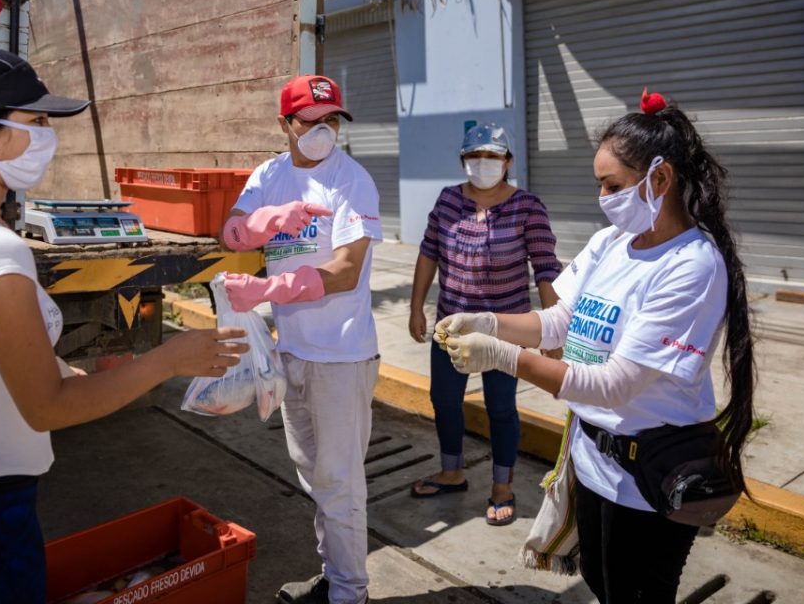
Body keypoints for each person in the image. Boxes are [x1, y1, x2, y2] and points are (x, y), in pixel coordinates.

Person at [0, 46, 246, 603]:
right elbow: (46, 408)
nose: (46, 137)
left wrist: (50, 364)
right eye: (34, 122)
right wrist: (169, 359)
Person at [436, 90, 756, 604]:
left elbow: (615, 385)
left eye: (613, 185)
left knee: (635, 595)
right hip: (591, 460)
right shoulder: (610, 243)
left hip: (648, 477)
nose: (603, 197)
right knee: (605, 585)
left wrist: (502, 357)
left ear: (660, 179)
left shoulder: (692, 266)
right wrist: (490, 321)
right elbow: (559, 321)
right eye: (600, 185)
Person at [220, 74, 383, 604]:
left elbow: (346, 270)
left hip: (341, 355)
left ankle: (349, 594)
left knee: (340, 484)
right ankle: (334, 576)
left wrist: (271, 288)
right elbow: (231, 231)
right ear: (285, 125)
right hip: (292, 351)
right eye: (311, 122)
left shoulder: (351, 180)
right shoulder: (267, 175)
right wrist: (262, 222)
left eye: (331, 120)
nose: (323, 130)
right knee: (314, 476)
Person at [409, 123, 561, 527]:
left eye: (493, 157)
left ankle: (501, 486)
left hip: (504, 329)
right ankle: (453, 472)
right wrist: (415, 306)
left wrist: (551, 328)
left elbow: (546, 268)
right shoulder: (447, 201)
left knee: (500, 407)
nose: (483, 164)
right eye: (475, 157)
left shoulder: (528, 206)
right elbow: (428, 254)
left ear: (507, 162)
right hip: (451, 324)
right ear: (463, 161)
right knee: (443, 400)